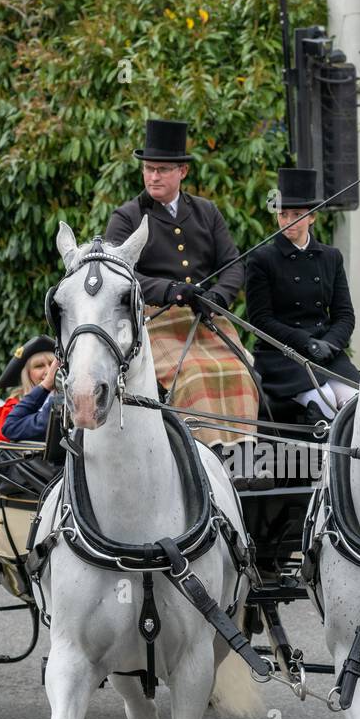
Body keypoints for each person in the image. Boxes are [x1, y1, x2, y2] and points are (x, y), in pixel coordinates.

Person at [103, 118, 271, 489]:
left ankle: (244, 464)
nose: (153, 177)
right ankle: (205, 464)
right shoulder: (128, 216)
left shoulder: (206, 211)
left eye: (162, 170)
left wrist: (217, 297)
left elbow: (232, 266)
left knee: (240, 372)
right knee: (194, 375)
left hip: (205, 317)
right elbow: (116, 272)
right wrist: (169, 290)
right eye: (148, 169)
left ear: (182, 171)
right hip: (156, 318)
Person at [244, 168, 359, 422]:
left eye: (297, 215)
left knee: (354, 401)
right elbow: (260, 319)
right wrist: (305, 343)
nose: (288, 222)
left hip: (327, 353)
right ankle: (321, 461)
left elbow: (344, 315)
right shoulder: (261, 260)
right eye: (283, 215)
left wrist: (330, 343)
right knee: (324, 401)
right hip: (283, 357)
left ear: (312, 217)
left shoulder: (331, 257)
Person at [0, 337, 60, 443]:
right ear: (27, 374)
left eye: (52, 365)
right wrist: (46, 385)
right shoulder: (11, 407)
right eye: (39, 366)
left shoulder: (68, 400)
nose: (48, 371)